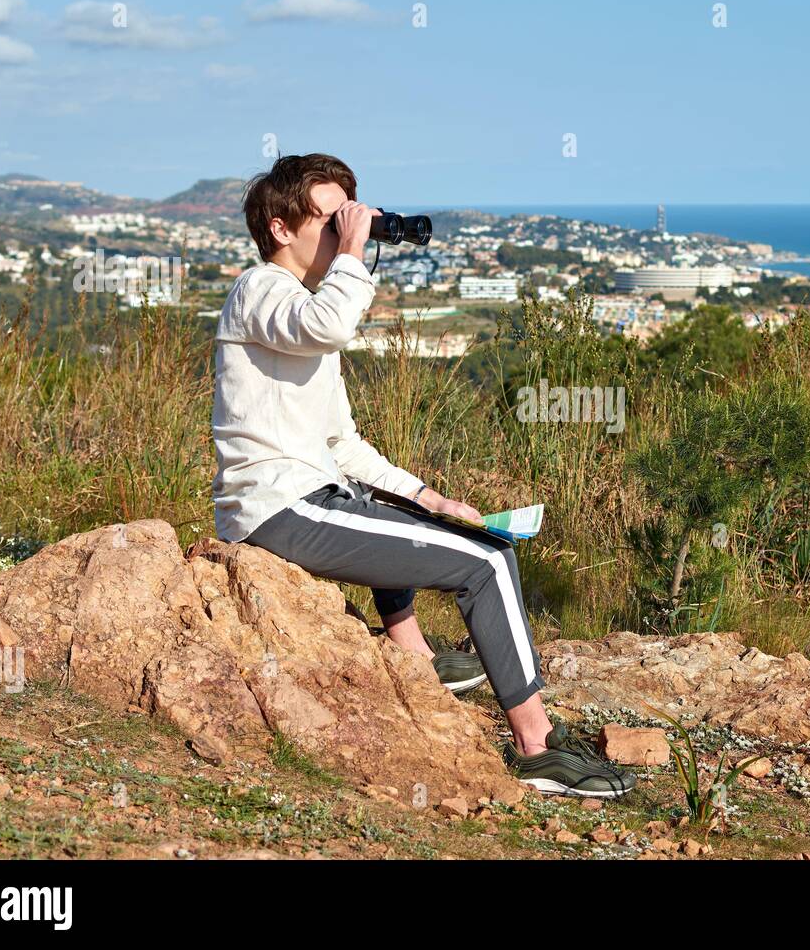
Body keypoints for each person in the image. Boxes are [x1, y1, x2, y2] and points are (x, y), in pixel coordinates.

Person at [211, 153, 634, 798]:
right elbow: (332, 323)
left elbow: (343, 445)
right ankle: (538, 746)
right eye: (329, 219)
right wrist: (354, 248)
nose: (342, 231)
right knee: (487, 562)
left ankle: (417, 663)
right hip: (277, 507)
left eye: (348, 220)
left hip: (312, 493)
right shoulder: (260, 289)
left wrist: (431, 498)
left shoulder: (295, 307)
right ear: (278, 228)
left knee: (415, 514)